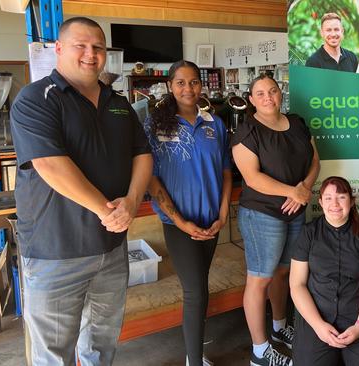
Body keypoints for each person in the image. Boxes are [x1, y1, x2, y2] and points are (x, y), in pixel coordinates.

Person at [10, 17, 152, 365]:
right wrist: (107, 211)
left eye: (98, 47)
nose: (91, 54)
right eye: (81, 46)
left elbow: (142, 154)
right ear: (58, 49)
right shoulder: (36, 98)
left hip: (111, 249)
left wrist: (132, 201)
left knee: (101, 346)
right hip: (56, 252)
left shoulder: (118, 103)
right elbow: (49, 165)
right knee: (53, 354)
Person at [144, 60, 232, 366]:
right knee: (196, 291)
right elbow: (151, 179)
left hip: (211, 222)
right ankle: (194, 360)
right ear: (170, 86)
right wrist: (182, 222)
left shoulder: (214, 124)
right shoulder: (155, 125)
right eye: (180, 82)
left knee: (200, 289)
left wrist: (222, 216)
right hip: (178, 224)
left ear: (201, 85)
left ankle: (193, 353)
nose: (188, 88)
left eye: (194, 82)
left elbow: (225, 173)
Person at [232, 74, 320, 366]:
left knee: (284, 273)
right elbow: (252, 178)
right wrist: (292, 191)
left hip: (295, 210)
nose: (268, 97)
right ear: (251, 99)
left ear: (280, 93)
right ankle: (260, 351)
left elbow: (314, 161)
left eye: (273, 90)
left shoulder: (296, 123)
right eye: (260, 93)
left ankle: (280, 328)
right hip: (261, 215)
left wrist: (303, 190)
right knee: (260, 279)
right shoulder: (247, 131)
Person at [290, 176, 359, 366]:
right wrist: (318, 326)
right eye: (328, 198)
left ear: (351, 202)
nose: (334, 204)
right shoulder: (309, 233)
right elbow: (297, 284)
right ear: (320, 202)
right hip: (317, 315)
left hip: (358, 315)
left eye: (341, 197)